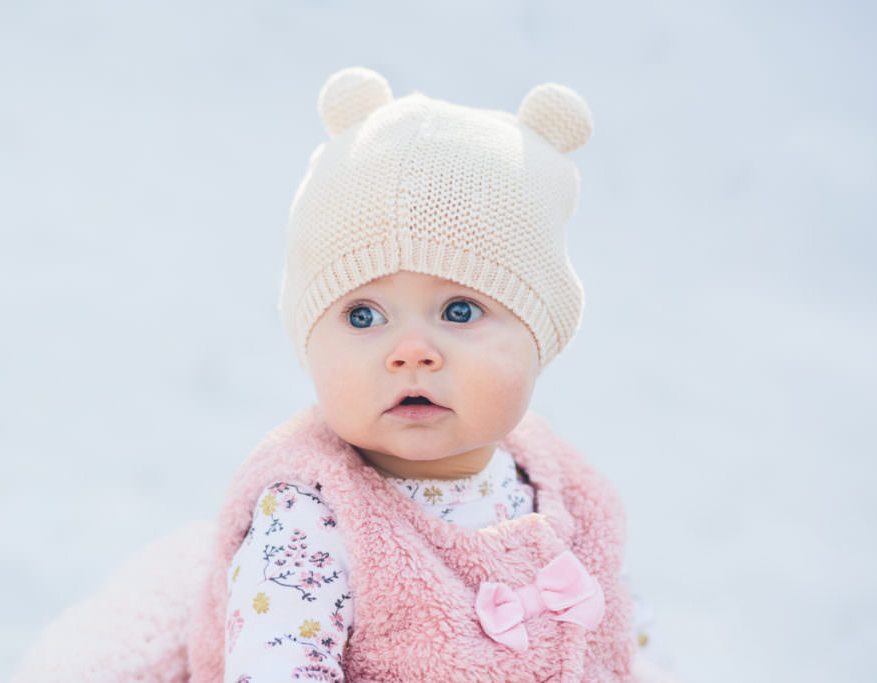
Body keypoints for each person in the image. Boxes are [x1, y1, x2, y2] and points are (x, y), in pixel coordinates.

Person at [189, 66, 678, 682]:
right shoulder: (310, 518)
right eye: (363, 315)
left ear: (539, 339)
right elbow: (277, 665)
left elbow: (627, 640)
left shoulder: (560, 489)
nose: (411, 351)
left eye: (460, 310)